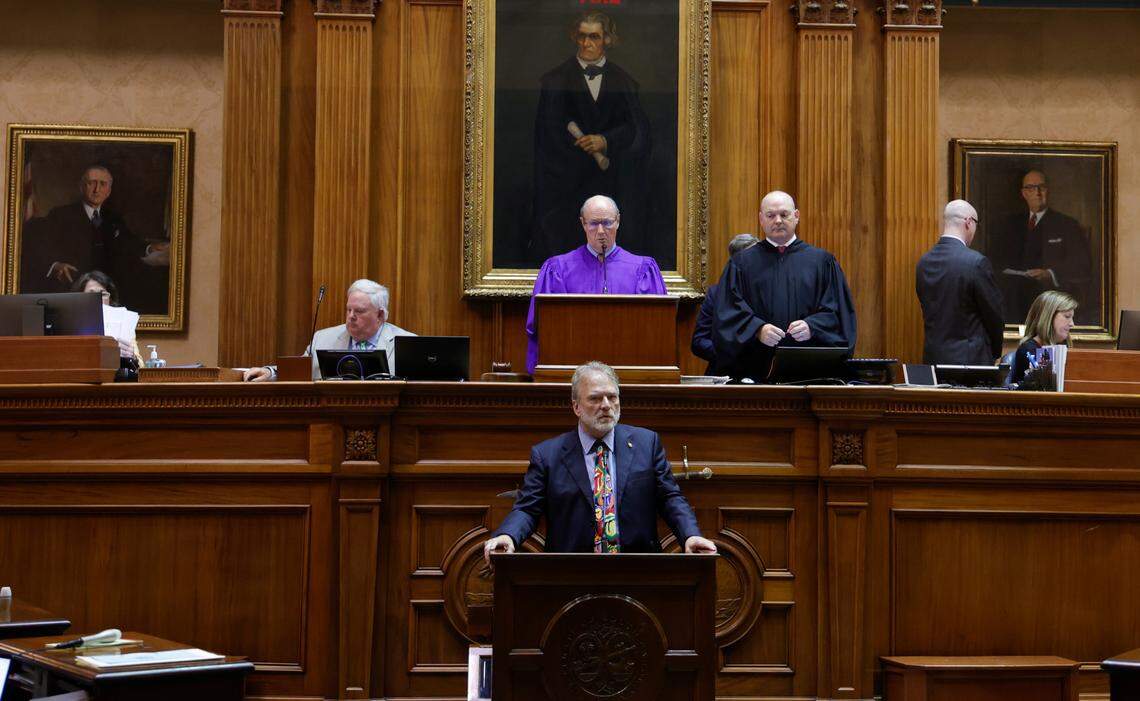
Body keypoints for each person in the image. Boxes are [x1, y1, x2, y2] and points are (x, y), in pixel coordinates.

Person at [483, 361, 716, 565]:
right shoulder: (548, 455)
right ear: (576, 406)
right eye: (595, 398)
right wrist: (508, 536)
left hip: (640, 569)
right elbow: (527, 508)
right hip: (569, 572)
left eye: (612, 397)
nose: (606, 405)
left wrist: (690, 535)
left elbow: (670, 498)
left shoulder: (647, 443)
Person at [530, 11, 652, 263]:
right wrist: (577, 150)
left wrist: (605, 141)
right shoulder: (554, 81)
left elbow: (635, 130)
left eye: (594, 37)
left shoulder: (625, 81)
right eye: (582, 37)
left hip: (612, 187)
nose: (587, 44)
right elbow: (547, 137)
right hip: (567, 190)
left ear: (607, 39)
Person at [711, 191, 857, 380]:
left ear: (796, 216)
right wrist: (756, 330)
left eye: (784, 214)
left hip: (810, 374)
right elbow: (727, 314)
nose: (778, 220)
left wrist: (812, 326)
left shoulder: (822, 262)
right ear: (761, 219)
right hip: (755, 373)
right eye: (771, 215)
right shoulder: (741, 264)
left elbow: (839, 313)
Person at [525, 195, 667, 373]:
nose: (600, 231)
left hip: (629, 373)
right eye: (593, 223)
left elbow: (655, 331)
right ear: (583, 223)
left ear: (618, 221)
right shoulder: (558, 270)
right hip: (573, 374)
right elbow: (545, 331)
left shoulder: (643, 270)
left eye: (607, 223)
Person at [23, 165, 169, 300]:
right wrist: (55, 265)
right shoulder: (61, 215)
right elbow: (40, 245)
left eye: (102, 184)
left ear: (109, 191)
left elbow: (128, 241)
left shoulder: (113, 218)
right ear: (81, 187)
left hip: (108, 287)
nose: (96, 189)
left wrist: (148, 248)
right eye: (91, 183)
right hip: (72, 287)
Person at [243, 279, 414, 381]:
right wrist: (270, 372)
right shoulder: (323, 338)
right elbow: (299, 371)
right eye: (349, 310)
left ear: (380, 315)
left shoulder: (407, 343)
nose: (351, 316)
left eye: (359, 311)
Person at [992, 169, 1092, 322]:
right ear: (1024, 193)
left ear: (1048, 191)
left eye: (1041, 187)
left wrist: (1049, 273)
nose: (1037, 192)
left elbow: (1081, 263)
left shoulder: (1067, 224)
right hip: (1014, 302)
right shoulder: (1010, 224)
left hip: (1051, 302)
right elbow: (996, 260)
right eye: (1031, 188)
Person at [915, 200, 1005, 366]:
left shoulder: (924, 263)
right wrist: (995, 353)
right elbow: (994, 314)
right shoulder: (976, 263)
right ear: (969, 222)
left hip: (933, 360)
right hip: (970, 364)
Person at [691, 233, 759, 374]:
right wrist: (729, 355)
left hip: (762, 376)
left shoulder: (769, 293)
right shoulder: (715, 294)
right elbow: (699, 342)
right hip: (723, 374)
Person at [1009, 290, 1077, 386]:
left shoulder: (1063, 347)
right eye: (1067, 316)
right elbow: (1045, 388)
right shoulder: (1030, 349)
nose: (1072, 324)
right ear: (1048, 317)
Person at [72, 270, 140, 360]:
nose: (98, 299)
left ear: (110, 300)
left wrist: (132, 355)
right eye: (91, 294)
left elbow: (140, 365)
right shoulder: (70, 323)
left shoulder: (123, 322)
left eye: (103, 294)